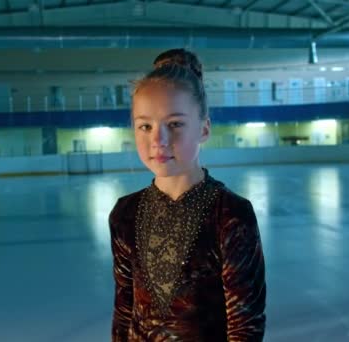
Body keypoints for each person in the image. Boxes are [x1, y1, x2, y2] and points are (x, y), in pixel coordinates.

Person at [108, 48, 267, 341]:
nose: (158, 140)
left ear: (204, 129)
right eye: (145, 126)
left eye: (175, 124)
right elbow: (124, 309)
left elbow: (246, 325)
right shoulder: (125, 214)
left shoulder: (230, 215)